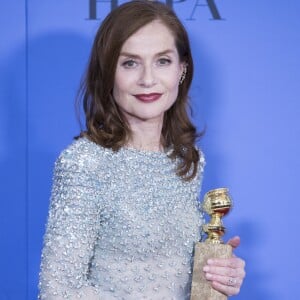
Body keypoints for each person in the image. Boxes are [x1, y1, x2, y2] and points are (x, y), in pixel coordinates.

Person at [38, 1, 246, 299]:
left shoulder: (189, 160)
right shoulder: (84, 163)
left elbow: (169, 274)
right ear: (109, 72)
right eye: (130, 63)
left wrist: (217, 275)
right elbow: (58, 292)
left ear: (182, 69)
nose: (148, 79)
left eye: (162, 61)